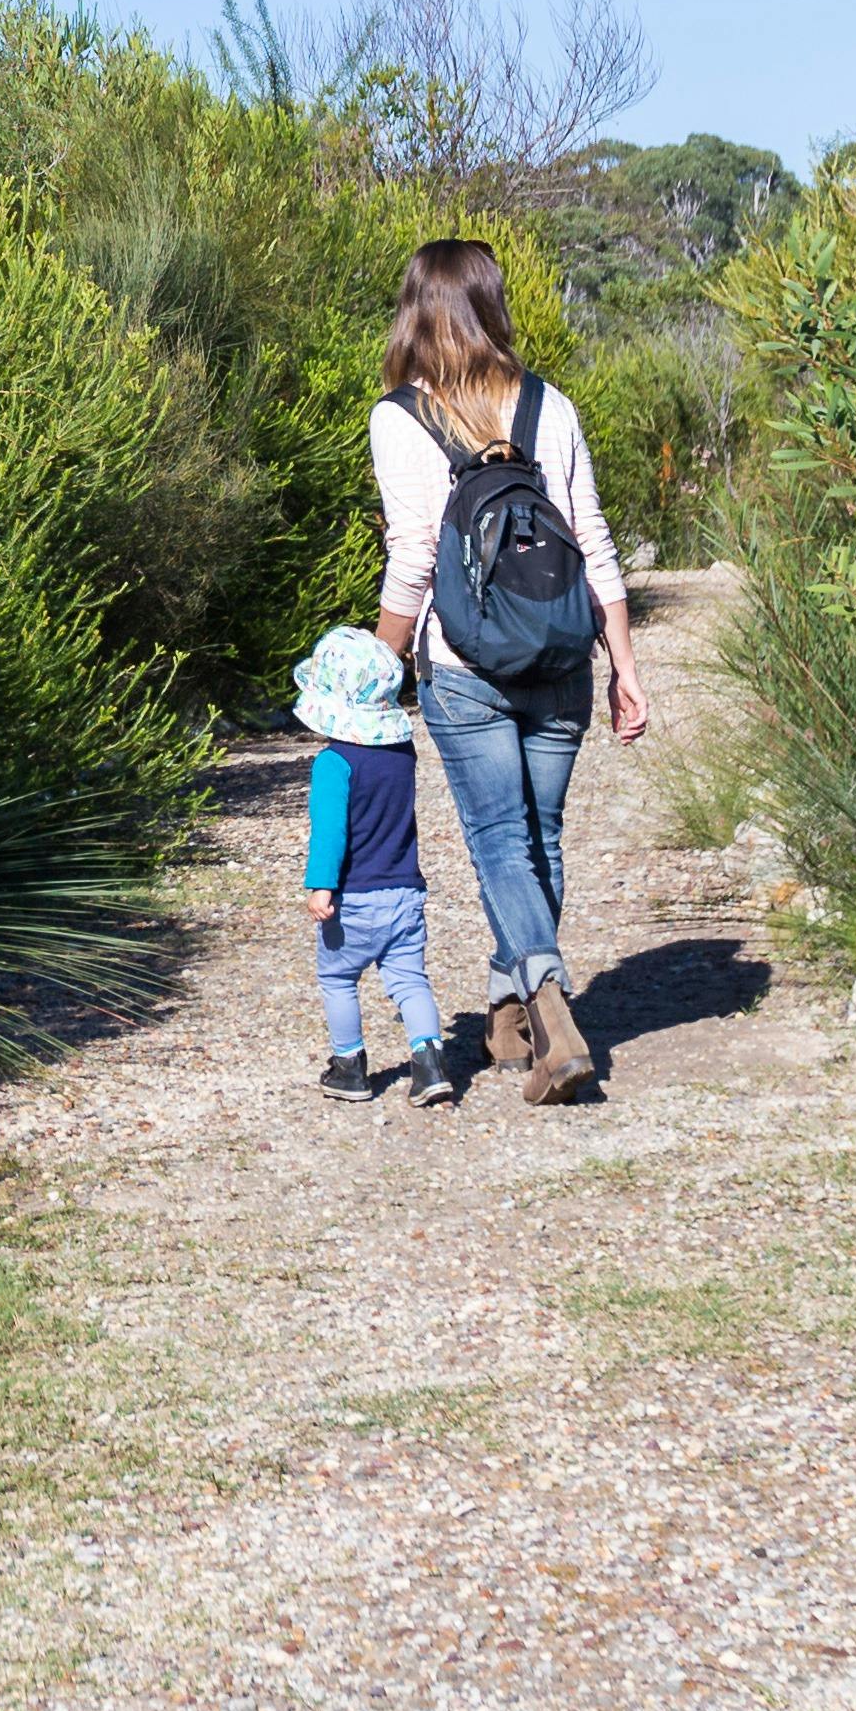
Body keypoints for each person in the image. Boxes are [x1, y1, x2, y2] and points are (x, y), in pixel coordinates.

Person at [368, 236, 650, 1106]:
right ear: (492, 304)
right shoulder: (548, 405)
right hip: (561, 649)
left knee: (498, 842)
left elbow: (414, 557)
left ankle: (553, 1013)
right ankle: (508, 1006)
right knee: (542, 841)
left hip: (462, 660)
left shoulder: (401, 416)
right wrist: (624, 666)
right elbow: (592, 539)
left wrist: (382, 661)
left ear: (416, 310)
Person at [290, 623, 451, 1106]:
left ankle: (350, 1067)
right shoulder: (401, 755)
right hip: (404, 889)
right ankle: (430, 1064)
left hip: (354, 897)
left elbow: (330, 832)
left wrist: (321, 885)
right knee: (408, 979)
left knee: (338, 978)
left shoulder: (333, 764)